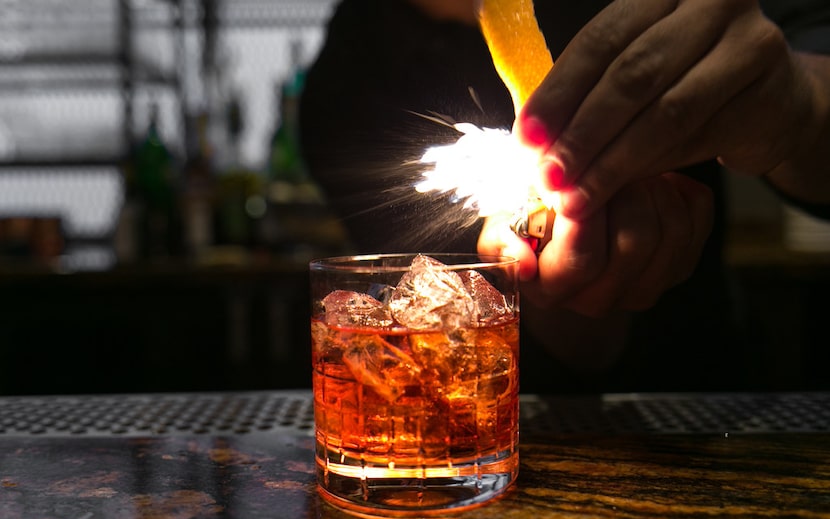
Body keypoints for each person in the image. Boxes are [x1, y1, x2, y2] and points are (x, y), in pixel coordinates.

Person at [299, 0, 830, 393]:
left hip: (717, 405)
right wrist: (568, 284)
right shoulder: (352, 73)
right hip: (505, 430)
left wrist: (801, 102)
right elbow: (431, 323)